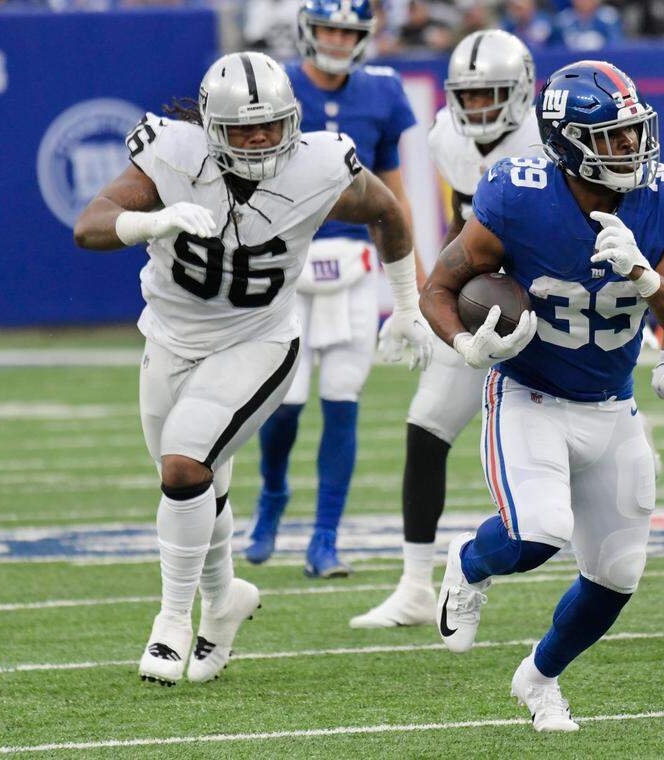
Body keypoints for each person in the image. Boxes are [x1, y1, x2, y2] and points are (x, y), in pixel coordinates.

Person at [72, 51, 422, 685]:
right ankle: (225, 598)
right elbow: (89, 225)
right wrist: (151, 220)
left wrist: (403, 307)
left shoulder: (318, 163)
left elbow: (388, 212)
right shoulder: (173, 155)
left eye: (272, 124)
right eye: (243, 129)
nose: (261, 139)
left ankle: (172, 622)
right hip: (170, 339)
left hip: (258, 340)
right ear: (210, 126)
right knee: (198, 485)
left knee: (183, 465)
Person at [421, 61, 664, 731]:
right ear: (568, 144)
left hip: (612, 406)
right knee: (541, 530)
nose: (631, 148)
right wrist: (467, 349)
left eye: (634, 131)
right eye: (611, 137)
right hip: (531, 394)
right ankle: (468, 565)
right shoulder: (518, 198)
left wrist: (644, 275)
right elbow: (439, 288)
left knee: (619, 574)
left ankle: (540, 679)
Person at [348, 29, 541, 628]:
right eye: (469, 95)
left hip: (547, 311)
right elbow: (462, 227)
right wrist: (424, 306)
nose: (477, 108)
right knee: (426, 427)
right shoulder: (445, 137)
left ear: (520, 91)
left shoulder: (548, 141)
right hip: (481, 301)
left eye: (491, 95)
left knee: (574, 450)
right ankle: (412, 585)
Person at [244, 0, 429, 579]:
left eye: (347, 30)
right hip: (283, 260)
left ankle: (324, 539)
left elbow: (392, 202)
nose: (337, 39)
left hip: (352, 263)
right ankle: (272, 494)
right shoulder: (276, 85)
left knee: (343, 399)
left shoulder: (382, 92)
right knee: (285, 403)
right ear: (306, 29)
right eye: (327, 27)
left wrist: (415, 288)